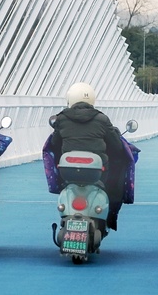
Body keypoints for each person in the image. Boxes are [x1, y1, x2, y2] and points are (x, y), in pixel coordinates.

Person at [45, 81, 128, 231]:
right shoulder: (102, 119)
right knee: (113, 183)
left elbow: (55, 143)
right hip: (96, 171)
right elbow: (116, 146)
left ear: (70, 99)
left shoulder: (61, 118)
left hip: (68, 170)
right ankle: (109, 216)